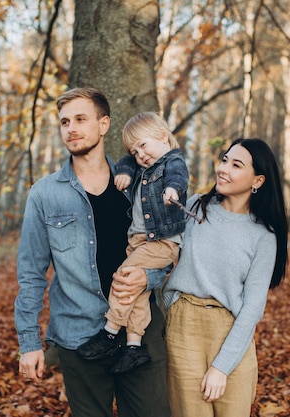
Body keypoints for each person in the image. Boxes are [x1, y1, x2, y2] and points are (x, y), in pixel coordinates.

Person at [14, 87, 171, 417]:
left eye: (80, 119)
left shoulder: (143, 185)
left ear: (104, 124)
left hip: (138, 331)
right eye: (64, 122)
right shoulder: (44, 195)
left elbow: (170, 251)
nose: (70, 128)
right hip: (79, 335)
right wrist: (28, 343)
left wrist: (148, 275)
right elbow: (30, 274)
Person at [162, 138, 288, 417]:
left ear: (257, 180)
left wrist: (221, 367)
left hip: (232, 332)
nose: (223, 169)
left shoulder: (264, 236)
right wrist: (173, 304)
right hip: (184, 328)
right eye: (224, 160)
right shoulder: (194, 206)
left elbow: (253, 308)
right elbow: (159, 250)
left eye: (236, 164)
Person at [77, 112, 189, 375]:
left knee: (124, 277)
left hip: (160, 241)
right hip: (139, 242)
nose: (140, 155)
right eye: (135, 151)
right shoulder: (141, 164)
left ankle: (109, 331)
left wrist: (172, 191)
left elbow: (178, 176)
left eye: (143, 145)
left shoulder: (172, 161)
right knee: (137, 291)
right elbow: (127, 160)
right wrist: (126, 171)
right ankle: (134, 347)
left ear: (163, 136)